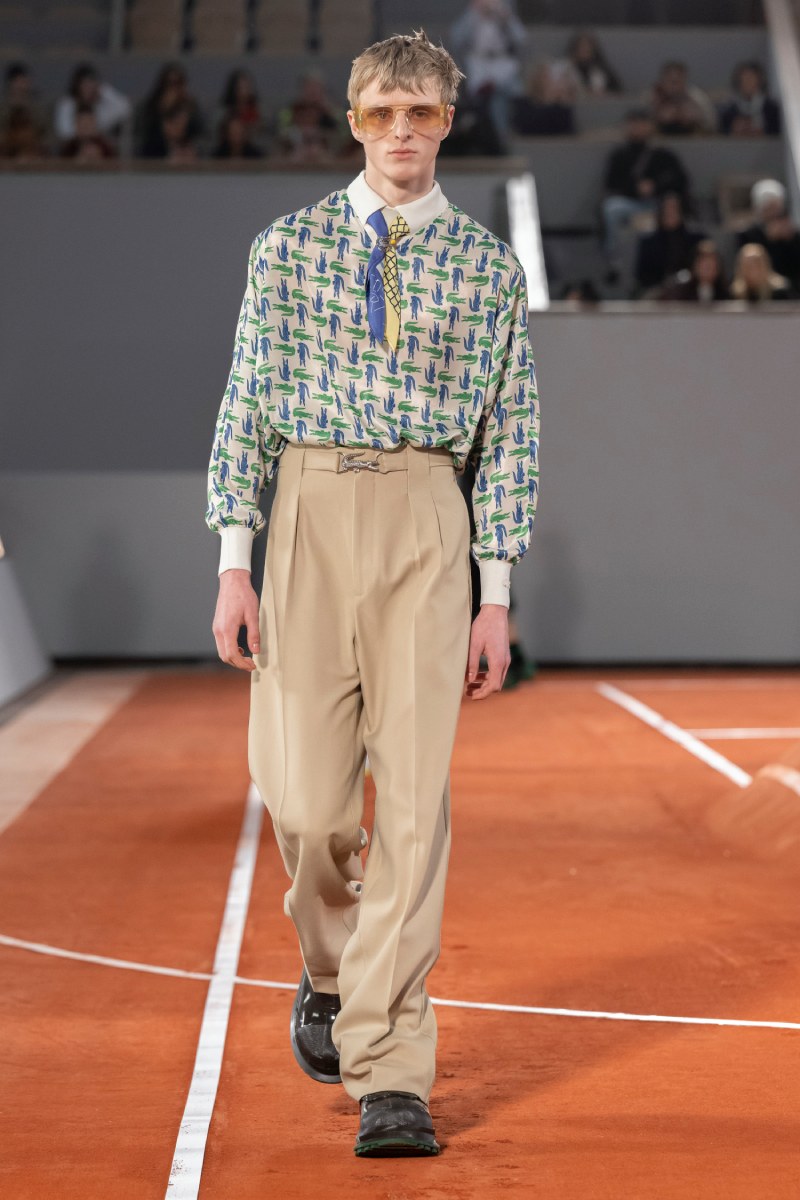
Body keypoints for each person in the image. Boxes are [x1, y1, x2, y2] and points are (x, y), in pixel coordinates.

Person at [205, 26, 540, 1158]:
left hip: (427, 520)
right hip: (303, 513)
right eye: (383, 113)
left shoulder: (487, 268)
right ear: (353, 123)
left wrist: (495, 591)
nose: (403, 131)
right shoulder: (286, 248)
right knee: (304, 805)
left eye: (423, 113)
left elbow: (511, 432)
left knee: (412, 804)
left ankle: (391, 1070)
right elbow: (245, 403)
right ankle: (332, 968)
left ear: (448, 121)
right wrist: (235, 560)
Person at [600, 108, 690, 284]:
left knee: (671, 205)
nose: (638, 128)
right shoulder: (619, 155)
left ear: (650, 126)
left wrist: (655, 186)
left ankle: (676, 259)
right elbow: (611, 184)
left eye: (642, 124)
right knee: (612, 208)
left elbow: (680, 179)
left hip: (658, 203)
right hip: (629, 203)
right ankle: (614, 259)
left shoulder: (663, 154)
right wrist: (635, 189)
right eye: (634, 124)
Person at [448, 0, 528, 152]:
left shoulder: (505, 11)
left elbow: (521, 39)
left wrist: (506, 18)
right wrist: (474, 14)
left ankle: (501, 139)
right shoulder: (472, 13)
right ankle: (487, 140)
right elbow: (456, 39)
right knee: (480, 99)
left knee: (503, 95)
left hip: (502, 61)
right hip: (478, 62)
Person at [634, 191, 706, 296]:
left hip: (690, 291)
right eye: (666, 209)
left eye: (674, 209)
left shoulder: (696, 239)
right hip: (658, 291)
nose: (670, 213)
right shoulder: (649, 242)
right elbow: (642, 275)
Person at [736, 179, 800, 294]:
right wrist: (767, 239)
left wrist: (790, 240)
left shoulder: (791, 233)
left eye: (775, 206)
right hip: (758, 290)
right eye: (768, 207)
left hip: (790, 290)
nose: (773, 212)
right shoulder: (748, 234)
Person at [53, 61, 131, 147]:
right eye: (85, 85)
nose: (89, 89)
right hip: (75, 147)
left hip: (98, 147)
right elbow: (64, 133)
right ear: (77, 86)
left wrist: (102, 89)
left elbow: (124, 108)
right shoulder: (67, 104)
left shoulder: (100, 106)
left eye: (91, 85)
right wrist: (85, 132)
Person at [641, 60, 717, 136]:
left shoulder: (697, 98)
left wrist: (693, 118)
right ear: (662, 80)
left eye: (677, 81)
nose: (674, 86)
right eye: (670, 81)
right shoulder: (651, 97)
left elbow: (711, 125)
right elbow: (642, 124)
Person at [548, 29, 622, 96]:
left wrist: (602, 94)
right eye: (581, 47)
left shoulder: (601, 70)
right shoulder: (563, 68)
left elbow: (619, 92)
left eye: (588, 47)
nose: (584, 51)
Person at [718, 60, 781, 137]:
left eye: (750, 79)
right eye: (744, 79)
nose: (747, 83)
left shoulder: (772, 110)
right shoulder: (728, 112)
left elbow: (777, 133)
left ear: (759, 81)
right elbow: (722, 134)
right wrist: (734, 129)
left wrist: (762, 130)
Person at [658, 239, 728, 303]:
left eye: (712, 266)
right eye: (705, 266)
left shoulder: (723, 292)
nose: (708, 271)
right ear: (695, 266)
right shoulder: (680, 291)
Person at [728, 242, 795, 302]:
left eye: (757, 264)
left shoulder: (780, 292)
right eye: (748, 266)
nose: (753, 270)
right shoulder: (734, 294)